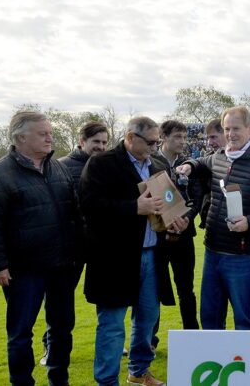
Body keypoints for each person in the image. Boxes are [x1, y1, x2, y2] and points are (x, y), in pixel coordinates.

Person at [0, 111, 82, 386]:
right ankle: (22, 382)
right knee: (21, 332)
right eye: (42, 133)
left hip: (61, 265)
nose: (50, 137)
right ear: (20, 137)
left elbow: (74, 212)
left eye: (50, 132)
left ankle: (59, 380)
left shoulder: (57, 167)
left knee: (62, 328)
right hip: (23, 270)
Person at [80, 116, 185, 386]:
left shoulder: (158, 165)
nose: (155, 146)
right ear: (130, 137)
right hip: (115, 259)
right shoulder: (102, 163)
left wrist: (175, 222)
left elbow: (168, 206)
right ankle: (107, 381)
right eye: (150, 141)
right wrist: (133, 208)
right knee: (113, 324)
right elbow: (89, 206)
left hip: (152, 254)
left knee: (148, 319)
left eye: (157, 141)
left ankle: (139, 371)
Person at [176, 106, 250, 331]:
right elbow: (202, 163)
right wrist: (189, 165)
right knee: (210, 317)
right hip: (213, 251)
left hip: (243, 256)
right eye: (227, 129)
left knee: (244, 320)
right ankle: (213, 363)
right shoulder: (220, 157)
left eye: (235, 128)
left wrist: (249, 222)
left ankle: (245, 365)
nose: (230, 134)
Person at [34, 120, 107, 366]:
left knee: (106, 299)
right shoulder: (60, 167)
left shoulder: (108, 166)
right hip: (72, 248)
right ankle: (50, 348)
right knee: (60, 302)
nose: (100, 147)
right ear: (81, 142)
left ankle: (109, 343)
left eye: (104, 142)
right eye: (95, 142)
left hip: (102, 246)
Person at [154, 120, 200, 333]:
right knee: (153, 290)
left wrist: (187, 218)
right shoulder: (150, 162)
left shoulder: (190, 165)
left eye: (184, 137)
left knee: (186, 289)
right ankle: (149, 340)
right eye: (177, 137)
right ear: (163, 137)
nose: (182, 141)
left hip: (184, 235)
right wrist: (166, 221)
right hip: (157, 237)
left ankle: (191, 334)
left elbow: (197, 197)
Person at [197, 118, 224, 229]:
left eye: (213, 137)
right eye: (208, 138)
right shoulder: (207, 160)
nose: (209, 142)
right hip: (212, 224)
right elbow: (201, 192)